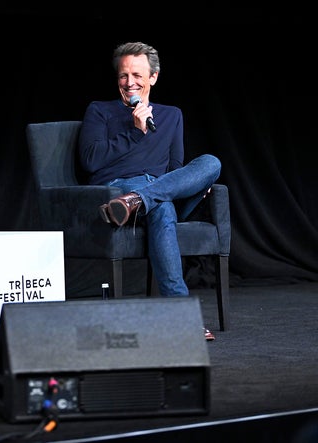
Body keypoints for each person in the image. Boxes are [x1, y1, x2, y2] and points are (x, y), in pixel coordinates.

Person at [78, 41, 221, 341]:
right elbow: (90, 161)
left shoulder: (171, 115)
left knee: (210, 163)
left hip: (152, 192)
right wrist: (134, 131)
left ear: (153, 77)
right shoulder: (100, 111)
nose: (130, 82)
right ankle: (180, 316)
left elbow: (176, 167)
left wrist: (193, 185)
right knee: (163, 206)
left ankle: (139, 201)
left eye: (137, 75)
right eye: (123, 76)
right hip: (118, 188)